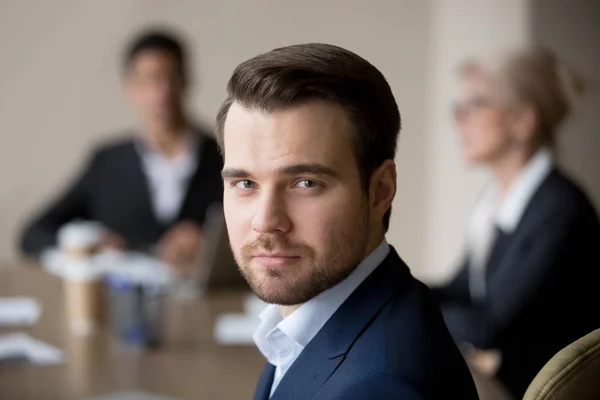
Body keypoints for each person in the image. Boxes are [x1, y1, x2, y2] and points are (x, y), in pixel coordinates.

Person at [217, 43, 479, 400]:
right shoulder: (311, 324)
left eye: (306, 183)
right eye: (245, 184)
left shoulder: (381, 388)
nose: (265, 221)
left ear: (380, 190)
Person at [431, 47, 600, 397]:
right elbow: (461, 290)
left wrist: (407, 304)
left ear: (523, 120)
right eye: (457, 109)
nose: (459, 120)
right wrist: (391, 284)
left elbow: (490, 327)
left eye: (473, 105)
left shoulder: (559, 208)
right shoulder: (494, 199)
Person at [20, 28, 223, 268]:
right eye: (149, 80)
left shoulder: (223, 156)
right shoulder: (107, 163)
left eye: (171, 77)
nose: (161, 92)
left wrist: (212, 243)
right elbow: (33, 234)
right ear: (130, 88)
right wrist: (90, 242)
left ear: (186, 80)